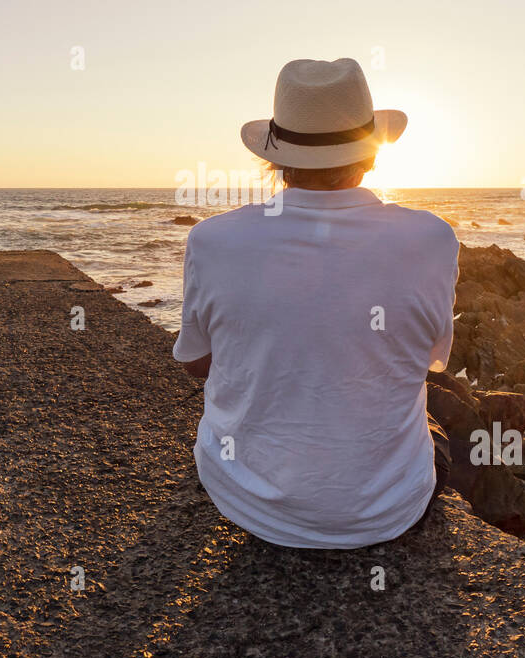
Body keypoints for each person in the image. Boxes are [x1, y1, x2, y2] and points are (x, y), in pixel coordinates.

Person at [172, 58, 459, 548]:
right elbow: (432, 360)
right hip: (388, 510)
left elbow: (196, 362)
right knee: (440, 436)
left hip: (246, 499)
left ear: (275, 157)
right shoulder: (432, 238)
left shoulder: (213, 241)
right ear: (371, 154)